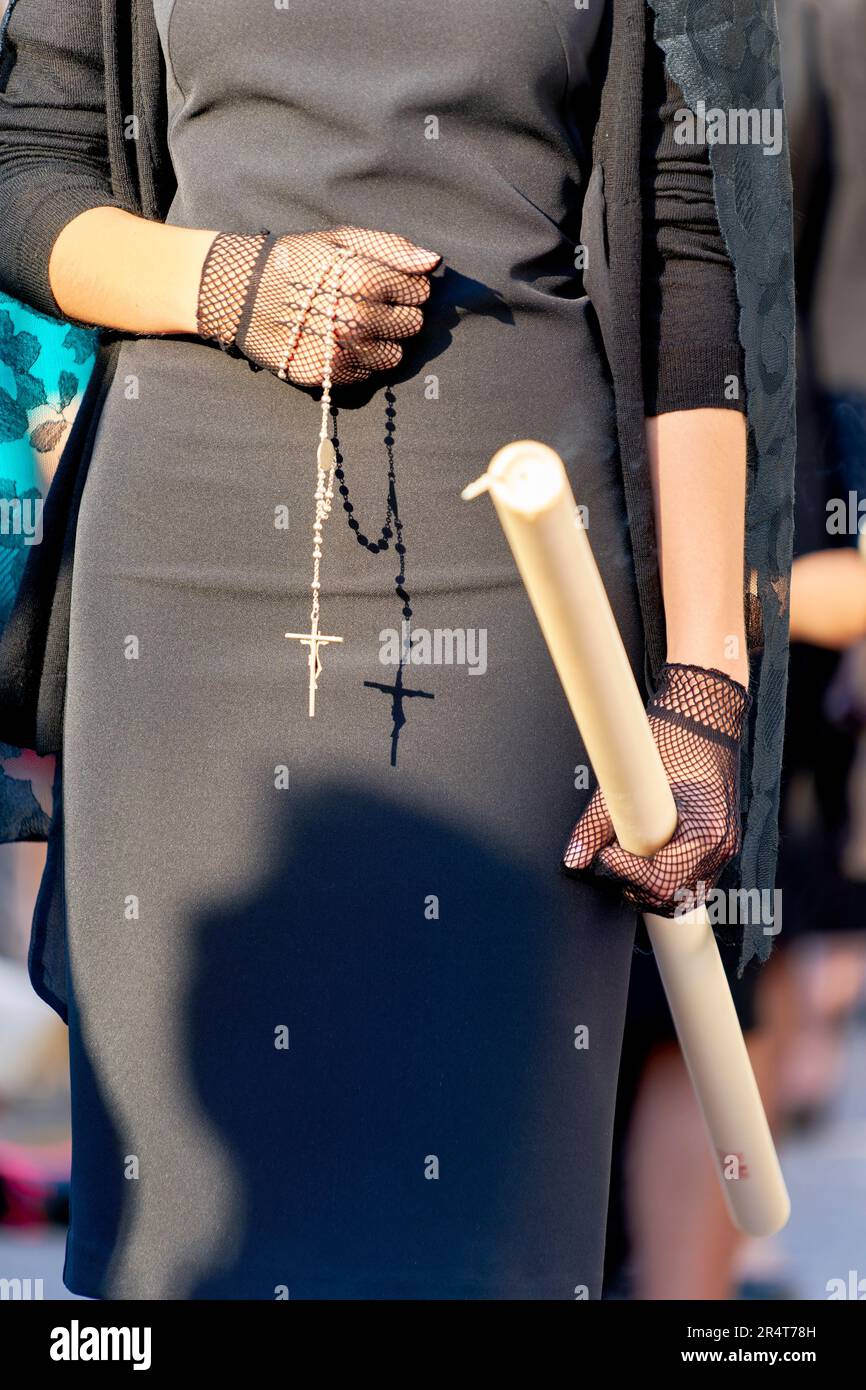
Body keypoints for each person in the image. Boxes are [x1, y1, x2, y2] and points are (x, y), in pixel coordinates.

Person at [0, 0, 794, 1299]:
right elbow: (25, 163)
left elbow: (704, 254)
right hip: (181, 601)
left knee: (479, 1239)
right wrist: (223, 283)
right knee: (178, 1255)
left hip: (523, 583)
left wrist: (703, 687)